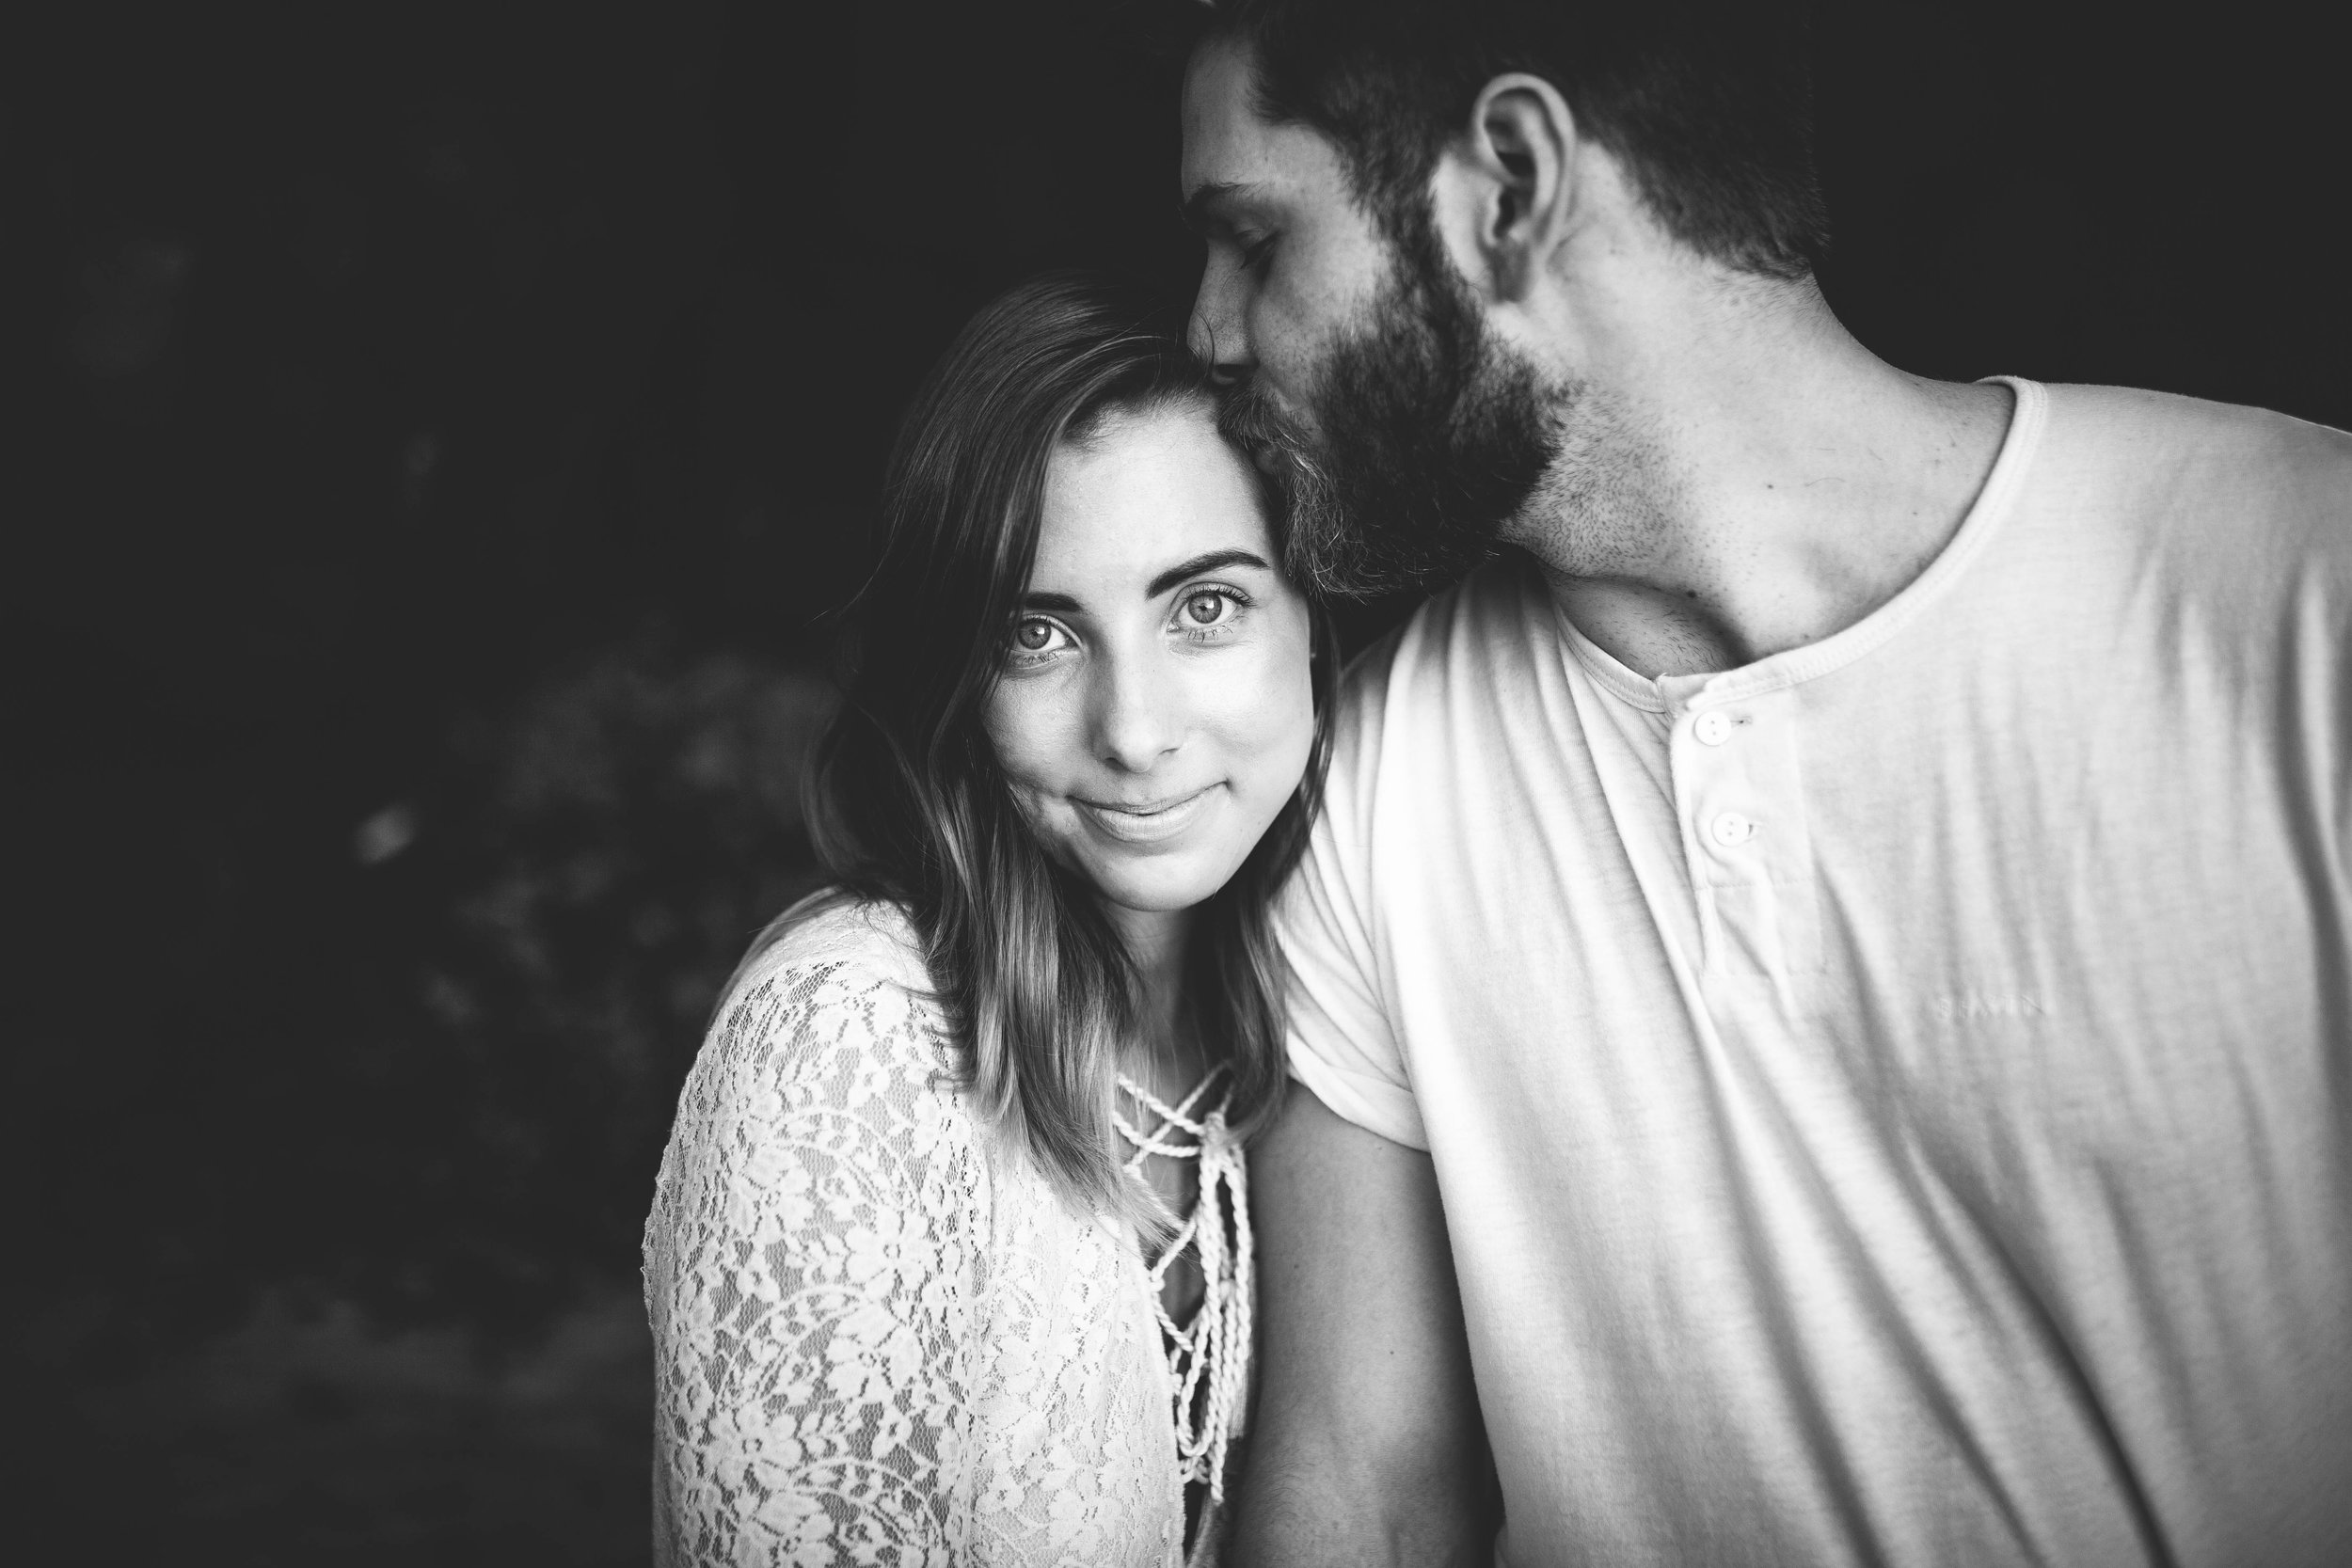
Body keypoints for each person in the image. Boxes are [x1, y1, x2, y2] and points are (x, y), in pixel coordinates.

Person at [1170, 2, 2352, 1564]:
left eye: (1254, 238)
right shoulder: (1367, 778)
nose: (1204, 329)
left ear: (1513, 183)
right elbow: (1365, 1497)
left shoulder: (2307, 605)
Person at [641, 273, 1334, 1566]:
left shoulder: (1324, 1013)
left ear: (1313, 623)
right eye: (1040, 634)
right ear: (958, 676)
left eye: (1205, 608)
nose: (1133, 732)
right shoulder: (850, 1045)